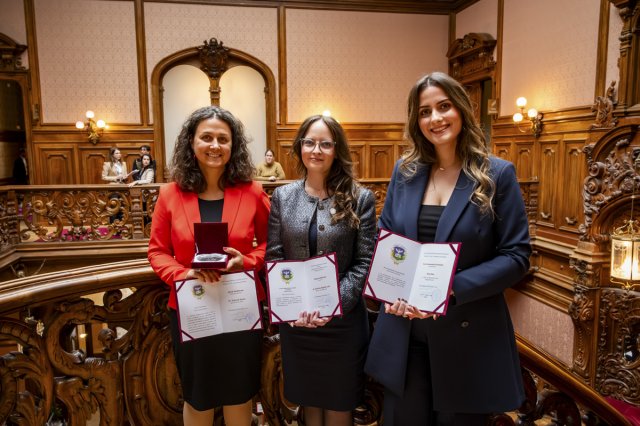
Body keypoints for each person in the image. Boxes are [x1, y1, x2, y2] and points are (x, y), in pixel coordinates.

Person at [364, 72, 531, 426]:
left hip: (466, 335)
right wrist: (390, 289)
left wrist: (449, 289)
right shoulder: (404, 172)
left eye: (444, 107)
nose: (435, 118)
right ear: (416, 121)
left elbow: (517, 256)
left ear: (462, 110)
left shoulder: (497, 174)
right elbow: (386, 238)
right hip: (405, 332)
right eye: (425, 112)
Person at [148, 105, 270, 426]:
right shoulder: (169, 194)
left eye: (223, 139)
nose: (215, 145)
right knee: (198, 396)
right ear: (191, 142)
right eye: (206, 137)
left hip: (241, 307)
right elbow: (158, 252)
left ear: (233, 146)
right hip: (193, 308)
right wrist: (184, 274)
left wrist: (247, 261)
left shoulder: (253, 192)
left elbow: (272, 244)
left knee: (239, 394)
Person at [266, 115, 376, 426]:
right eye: (310, 142)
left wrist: (332, 304)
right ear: (299, 147)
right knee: (309, 404)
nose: (316, 150)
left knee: (340, 404)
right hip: (298, 323)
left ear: (337, 150)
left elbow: (364, 262)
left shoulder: (360, 198)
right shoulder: (283, 196)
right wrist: (290, 308)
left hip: (343, 324)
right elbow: (274, 257)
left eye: (326, 144)